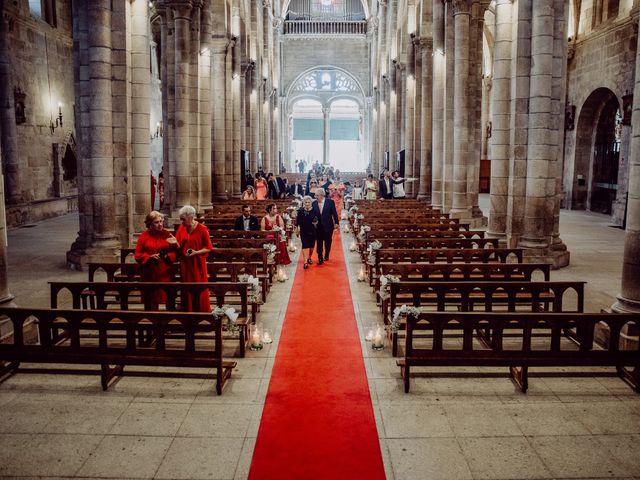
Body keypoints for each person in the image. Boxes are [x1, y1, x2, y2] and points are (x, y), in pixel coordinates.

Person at [134, 211, 179, 310]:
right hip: (149, 271)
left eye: (161, 221)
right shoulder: (144, 236)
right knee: (151, 297)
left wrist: (168, 256)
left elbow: (175, 253)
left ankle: (169, 318)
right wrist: (149, 257)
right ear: (150, 223)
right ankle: (152, 318)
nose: (160, 224)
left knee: (167, 295)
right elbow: (138, 254)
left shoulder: (167, 234)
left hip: (164, 271)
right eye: (156, 222)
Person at [175, 205, 213, 312]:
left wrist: (196, 252)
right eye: (181, 219)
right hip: (185, 263)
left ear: (191, 217)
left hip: (198, 263)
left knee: (199, 286)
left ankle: (201, 310)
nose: (181, 222)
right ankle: (188, 310)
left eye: (183, 219)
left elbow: (209, 247)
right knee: (186, 286)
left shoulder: (202, 229)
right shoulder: (181, 228)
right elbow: (178, 245)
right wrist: (174, 243)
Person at [312, 188, 339, 264]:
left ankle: (327, 254)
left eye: (317, 195)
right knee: (319, 242)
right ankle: (320, 257)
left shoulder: (330, 202)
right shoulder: (313, 203)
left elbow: (334, 213)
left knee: (328, 242)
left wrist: (336, 223)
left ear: (322, 195)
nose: (315, 197)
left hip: (328, 226)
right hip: (318, 227)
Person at [297, 196, 320, 269]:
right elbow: (298, 222)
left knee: (311, 247)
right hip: (303, 231)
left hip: (313, 231)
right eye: (306, 202)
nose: (307, 204)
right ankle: (305, 262)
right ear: (303, 203)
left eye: (308, 202)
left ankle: (309, 257)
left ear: (311, 203)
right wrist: (297, 229)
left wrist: (316, 222)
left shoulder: (315, 210)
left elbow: (317, 220)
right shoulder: (300, 210)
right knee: (305, 245)